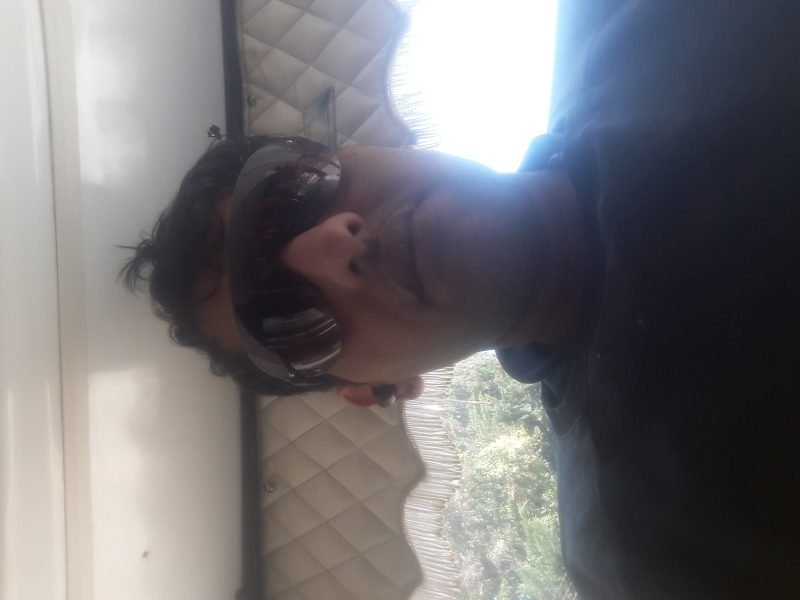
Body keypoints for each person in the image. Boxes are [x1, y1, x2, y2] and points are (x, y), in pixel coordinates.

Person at [122, 3, 800, 598]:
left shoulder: (630, 16)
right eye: (288, 321)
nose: (333, 246)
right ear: (377, 388)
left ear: (356, 150)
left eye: (293, 194)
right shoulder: (656, 550)